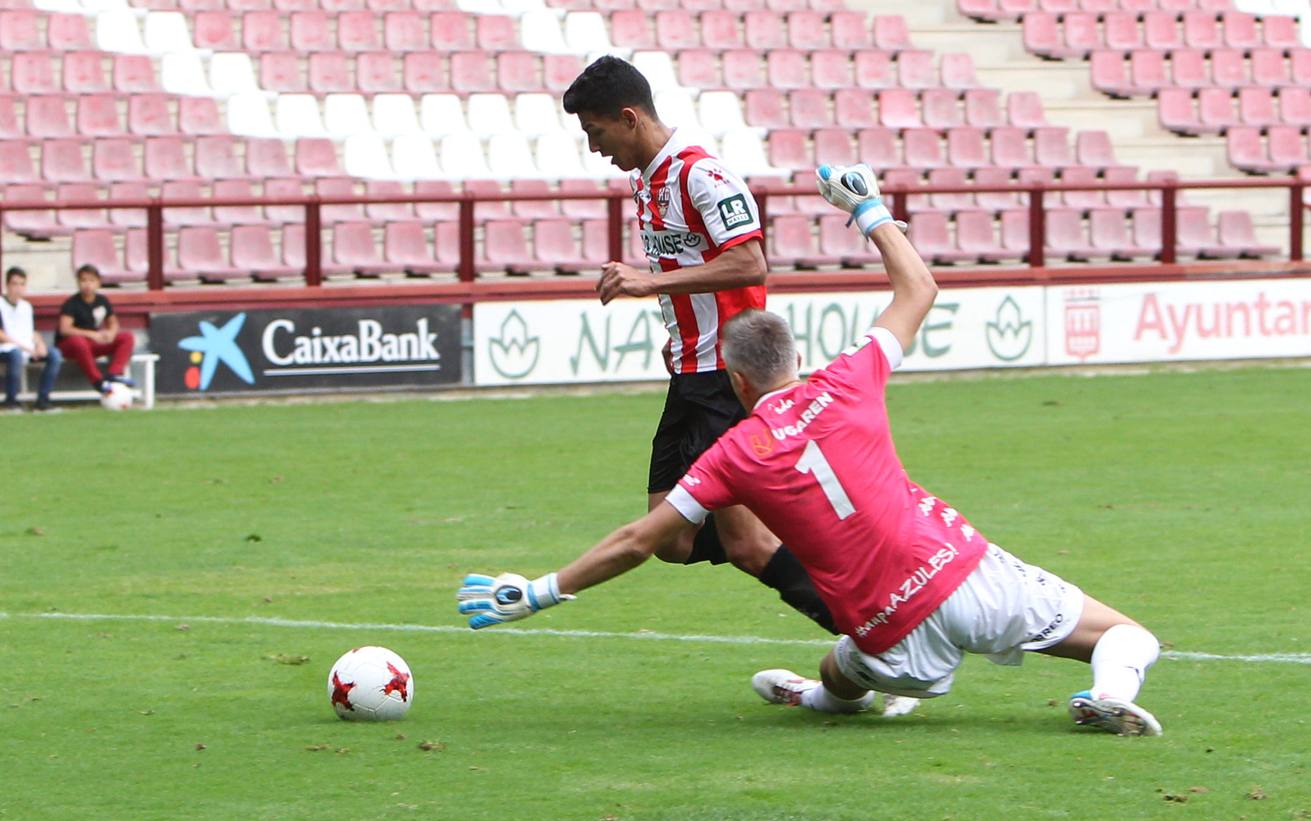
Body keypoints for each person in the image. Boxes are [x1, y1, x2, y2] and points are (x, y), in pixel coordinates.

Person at [457, 164, 1163, 737]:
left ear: (736, 382)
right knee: (1129, 638)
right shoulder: (850, 379)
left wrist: (540, 592)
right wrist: (867, 210)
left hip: (889, 638)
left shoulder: (732, 453)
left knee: (843, 669)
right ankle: (1107, 696)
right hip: (961, 574)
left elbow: (640, 540)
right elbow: (918, 289)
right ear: (795, 357)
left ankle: (816, 696)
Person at [562, 55, 837, 635]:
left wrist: (648, 283)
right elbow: (690, 267)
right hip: (689, 372)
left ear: (629, 118)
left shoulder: (701, 175)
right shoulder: (646, 181)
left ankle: (874, 632)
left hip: (725, 377)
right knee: (674, 539)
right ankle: (793, 528)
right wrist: (679, 330)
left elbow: (749, 263)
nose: (594, 147)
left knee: (745, 546)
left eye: (596, 131)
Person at [56, 264, 135, 396]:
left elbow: (113, 322)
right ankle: (97, 381)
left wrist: (111, 333)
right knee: (78, 341)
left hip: (92, 344)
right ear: (78, 282)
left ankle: (114, 373)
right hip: (70, 346)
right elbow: (64, 329)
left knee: (127, 337)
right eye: (83, 280)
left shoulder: (102, 301)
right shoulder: (71, 303)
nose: (87, 284)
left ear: (98, 282)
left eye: (91, 280)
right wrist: (92, 334)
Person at [0, 267, 62, 412]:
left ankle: (43, 400)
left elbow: (32, 331)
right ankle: (11, 401)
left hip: (27, 348)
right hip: (6, 349)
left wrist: (40, 344)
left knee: (54, 355)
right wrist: (26, 348)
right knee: (15, 354)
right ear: (7, 285)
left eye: (22, 284)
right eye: (15, 284)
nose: (18, 288)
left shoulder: (26, 307)